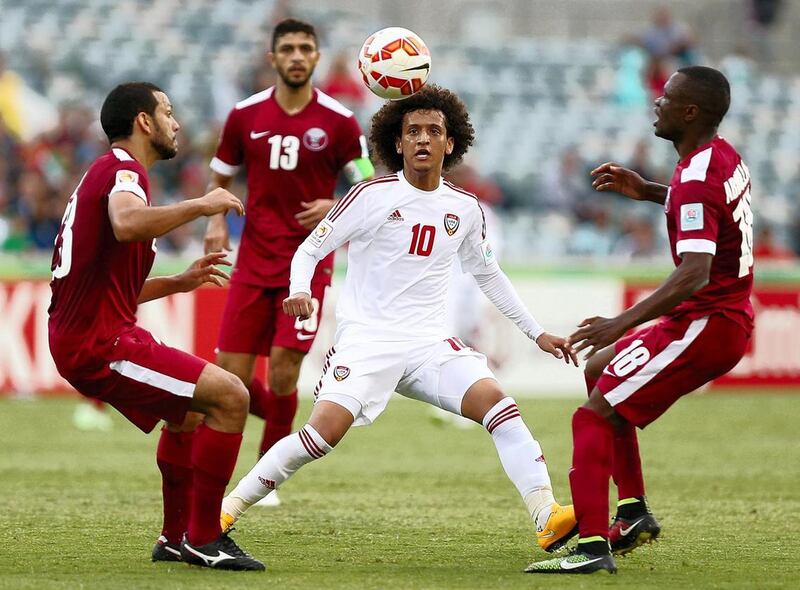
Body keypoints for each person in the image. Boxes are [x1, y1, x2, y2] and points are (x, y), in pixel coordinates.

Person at [219, 84, 581, 557]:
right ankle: (227, 509)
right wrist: (299, 291)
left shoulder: (465, 209)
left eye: (434, 130)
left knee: (502, 410)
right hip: (367, 343)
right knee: (319, 437)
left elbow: (489, 275)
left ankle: (546, 515)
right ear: (397, 142)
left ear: (451, 143)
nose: (424, 139)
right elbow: (310, 249)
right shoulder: (370, 196)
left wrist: (537, 333)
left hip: (430, 344)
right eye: (413, 131)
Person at [526, 66, 754, 574]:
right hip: (716, 315)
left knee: (592, 415)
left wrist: (621, 322)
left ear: (690, 112)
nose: (657, 102)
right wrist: (649, 190)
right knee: (598, 369)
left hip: (707, 321)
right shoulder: (720, 157)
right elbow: (706, 207)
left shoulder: (696, 175)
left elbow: (693, 273)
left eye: (667, 97)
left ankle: (590, 548)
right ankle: (631, 513)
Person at [47, 82, 264, 571]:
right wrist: (201, 204)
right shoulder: (124, 170)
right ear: (144, 121)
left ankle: (173, 537)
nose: (176, 122)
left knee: (187, 415)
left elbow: (102, 285)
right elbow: (127, 223)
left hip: (93, 334)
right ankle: (205, 538)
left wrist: (179, 282)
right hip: (101, 343)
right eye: (167, 111)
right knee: (231, 397)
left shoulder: (101, 176)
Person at [204, 19, 374, 506]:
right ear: (273, 57)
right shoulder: (244, 115)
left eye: (305, 48)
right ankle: (278, 424)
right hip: (253, 260)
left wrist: (337, 202)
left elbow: (366, 182)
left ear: (316, 58)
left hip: (308, 263)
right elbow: (221, 175)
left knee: (283, 370)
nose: (297, 56)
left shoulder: (340, 121)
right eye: (288, 49)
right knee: (229, 375)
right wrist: (215, 221)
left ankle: (265, 472)